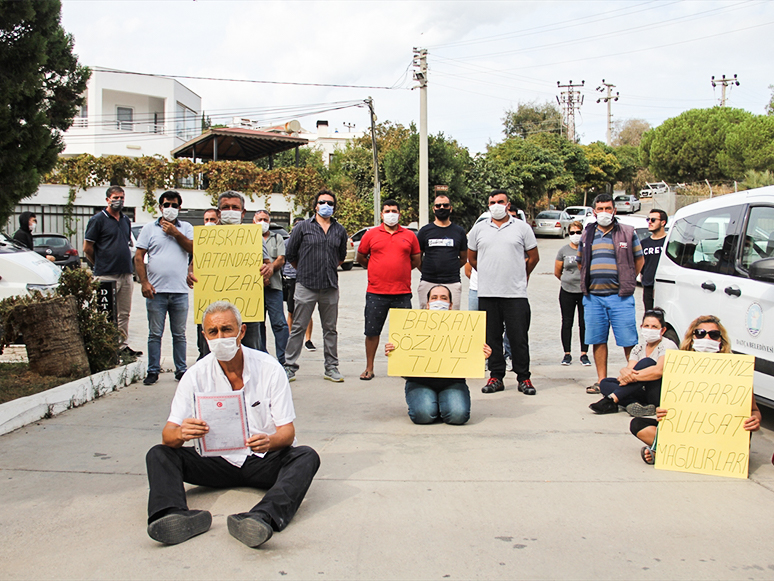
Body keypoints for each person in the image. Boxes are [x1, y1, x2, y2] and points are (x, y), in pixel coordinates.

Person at [144, 301, 320, 547]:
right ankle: (171, 516)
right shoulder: (194, 376)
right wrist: (182, 433)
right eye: (213, 332)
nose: (220, 337)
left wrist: (269, 442)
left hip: (261, 460)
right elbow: (168, 434)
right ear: (204, 336)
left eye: (227, 329)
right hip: (215, 462)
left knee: (306, 457)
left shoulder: (270, 369)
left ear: (242, 331)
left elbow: (287, 433)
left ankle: (261, 518)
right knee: (159, 454)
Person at [631, 315, 762, 464]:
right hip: (689, 433)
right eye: (700, 333)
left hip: (720, 435)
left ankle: (668, 450)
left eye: (713, 335)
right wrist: (662, 412)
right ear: (692, 338)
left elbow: (754, 410)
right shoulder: (679, 367)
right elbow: (672, 408)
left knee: (743, 429)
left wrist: (755, 420)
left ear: (720, 341)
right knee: (638, 425)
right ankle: (680, 451)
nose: (707, 339)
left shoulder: (736, 372)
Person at [384, 285, 491, 425]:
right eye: (434, 298)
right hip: (419, 382)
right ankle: (433, 404)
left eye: (443, 298)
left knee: (457, 416)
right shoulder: (413, 326)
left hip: (452, 382)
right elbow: (405, 364)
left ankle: (442, 403)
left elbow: (469, 357)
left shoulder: (462, 327)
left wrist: (481, 354)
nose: (438, 301)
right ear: (427, 304)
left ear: (451, 305)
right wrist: (394, 352)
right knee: (424, 415)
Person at [468, 189, 539, 395]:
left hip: (515, 294)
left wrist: (520, 274)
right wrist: (489, 272)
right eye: (492, 202)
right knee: (492, 338)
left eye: (500, 201)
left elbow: (533, 257)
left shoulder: (522, 228)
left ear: (508, 205)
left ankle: (524, 378)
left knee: (518, 338)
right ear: (488, 205)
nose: (496, 205)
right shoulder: (479, 229)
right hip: (488, 293)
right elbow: (472, 258)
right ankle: (496, 376)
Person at [577, 193, 643, 395]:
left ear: (614, 210)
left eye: (608, 208)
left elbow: (639, 261)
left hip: (620, 297)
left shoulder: (627, 232)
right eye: (600, 209)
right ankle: (601, 381)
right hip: (593, 298)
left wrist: (628, 279)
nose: (604, 212)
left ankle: (633, 378)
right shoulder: (587, 234)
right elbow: (581, 262)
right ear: (594, 211)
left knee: (628, 340)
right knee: (598, 339)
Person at [283, 189, 348, 383]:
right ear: (315, 205)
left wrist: (326, 267)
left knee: (330, 329)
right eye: (322, 202)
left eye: (330, 202)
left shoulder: (339, 230)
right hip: (306, 285)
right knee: (298, 327)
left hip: (330, 286)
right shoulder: (302, 227)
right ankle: (289, 367)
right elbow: (291, 255)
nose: (326, 205)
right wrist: (305, 269)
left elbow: (341, 256)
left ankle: (331, 367)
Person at [356, 199, 421, 381]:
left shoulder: (409, 235)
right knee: (372, 331)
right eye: (387, 211)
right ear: (382, 214)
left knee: (404, 332)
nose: (390, 213)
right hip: (376, 292)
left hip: (401, 292)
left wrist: (400, 268)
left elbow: (416, 260)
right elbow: (361, 257)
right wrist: (376, 267)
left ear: (399, 215)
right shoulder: (371, 234)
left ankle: (403, 366)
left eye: (394, 210)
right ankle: (369, 367)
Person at [135, 191, 194, 385]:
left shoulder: (186, 227)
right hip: (156, 292)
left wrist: (175, 233)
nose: (171, 208)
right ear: (160, 207)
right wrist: (144, 282)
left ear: (179, 208)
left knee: (179, 334)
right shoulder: (149, 229)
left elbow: (193, 249)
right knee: (155, 334)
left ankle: (181, 370)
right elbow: (139, 256)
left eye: (174, 205)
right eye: (167, 205)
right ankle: (153, 370)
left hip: (179, 291)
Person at [83, 185, 142, 356]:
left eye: (122, 197)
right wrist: (98, 264)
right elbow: (87, 248)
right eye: (115, 197)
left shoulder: (125, 220)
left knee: (124, 313)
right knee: (106, 313)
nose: (119, 201)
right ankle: (105, 347)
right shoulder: (98, 220)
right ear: (108, 199)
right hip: (106, 274)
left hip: (125, 273)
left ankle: (121, 346)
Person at [211, 191, 272, 352]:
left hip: (248, 308)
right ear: (219, 212)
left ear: (243, 212)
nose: (230, 210)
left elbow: (268, 264)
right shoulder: (207, 237)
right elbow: (194, 266)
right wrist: (191, 274)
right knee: (213, 354)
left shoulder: (254, 236)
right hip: (215, 308)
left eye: (234, 207)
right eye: (225, 207)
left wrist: (268, 270)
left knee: (251, 351)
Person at [589, 308, 677, 415]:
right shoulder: (638, 348)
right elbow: (630, 369)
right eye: (646, 326)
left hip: (659, 391)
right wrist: (624, 372)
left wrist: (630, 377)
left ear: (662, 330)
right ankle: (633, 405)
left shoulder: (667, 345)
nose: (650, 329)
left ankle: (612, 400)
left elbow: (658, 371)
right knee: (605, 383)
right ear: (641, 327)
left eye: (654, 327)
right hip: (640, 388)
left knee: (647, 362)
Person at [416, 194, 467, 310]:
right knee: (425, 319)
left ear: (451, 208)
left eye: (445, 205)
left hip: (452, 281)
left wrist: (451, 268)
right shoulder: (425, 231)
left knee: (452, 319)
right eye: (438, 206)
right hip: (428, 281)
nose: (442, 208)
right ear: (434, 209)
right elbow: (417, 258)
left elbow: (464, 258)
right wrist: (426, 270)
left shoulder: (459, 232)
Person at [253, 209, 290, 365]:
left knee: (279, 323)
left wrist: (268, 271)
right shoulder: (248, 237)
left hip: (274, 287)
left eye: (266, 219)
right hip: (254, 289)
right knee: (257, 324)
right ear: (254, 221)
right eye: (260, 219)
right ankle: (262, 358)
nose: (263, 222)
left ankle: (284, 360)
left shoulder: (277, 238)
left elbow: (281, 259)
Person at [554, 220, 591, 367]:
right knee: (567, 322)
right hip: (567, 291)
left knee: (584, 323)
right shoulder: (563, 251)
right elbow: (557, 271)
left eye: (578, 232)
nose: (575, 235)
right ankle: (567, 354)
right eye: (572, 232)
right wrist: (566, 280)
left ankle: (584, 353)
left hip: (584, 291)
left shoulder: (588, 249)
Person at [283, 217, 316, 352]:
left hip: (306, 280)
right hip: (290, 279)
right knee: (291, 311)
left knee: (307, 312)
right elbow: (283, 260)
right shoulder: (286, 243)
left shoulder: (311, 242)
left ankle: (308, 340)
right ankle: (290, 338)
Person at [195, 208, 221, 360]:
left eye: (212, 219)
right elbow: (194, 263)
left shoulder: (231, 237)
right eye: (206, 220)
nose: (209, 223)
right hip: (206, 293)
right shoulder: (200, 240)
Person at [640, 209, 668, 311]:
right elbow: (641, 264)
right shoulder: (644, 243)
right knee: (649, 315)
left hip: (665, 285)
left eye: (653, 220)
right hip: (648, 285)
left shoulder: (669, 241)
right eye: (648, 219)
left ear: (663, 222)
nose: (649, 222)